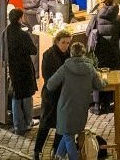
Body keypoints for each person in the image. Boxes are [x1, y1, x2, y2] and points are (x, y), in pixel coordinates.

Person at [48, 39, 104, 160]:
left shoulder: (65, 68)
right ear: (84, 54)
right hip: (81, 108)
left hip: (66, 107)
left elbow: (50, 85)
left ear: (71, 53)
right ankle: (59, 156)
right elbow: (99, 86)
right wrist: (104, 80)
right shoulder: (90, 69)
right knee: (68, 134)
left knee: (68, 135)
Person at [33, 28, 73, 158]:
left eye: (68, 43)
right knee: (45, 123)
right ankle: (37, 150)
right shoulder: (49, 55)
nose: (65, 45)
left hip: (64, 95)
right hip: (51, 95)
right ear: (57, 42)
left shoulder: (69, 55)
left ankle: (56, 150)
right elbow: (47, 75)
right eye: (63, 42)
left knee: (61, 124)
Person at [5, 8, 39, 134]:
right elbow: (33, 50)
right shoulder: (23, 34)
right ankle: (28, 121)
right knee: (27, 95)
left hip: (13, 68)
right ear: (20, 18)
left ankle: (18, 125)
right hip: (24, 68)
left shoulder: (6, 33)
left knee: (16, 95)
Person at [86, 0, 120, 73]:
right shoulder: (118, 19)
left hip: (100, 52)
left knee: (102, 75)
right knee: (115, 76)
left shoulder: (96, 18)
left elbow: (87, 33)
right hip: (114, 53)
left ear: (103, 4)